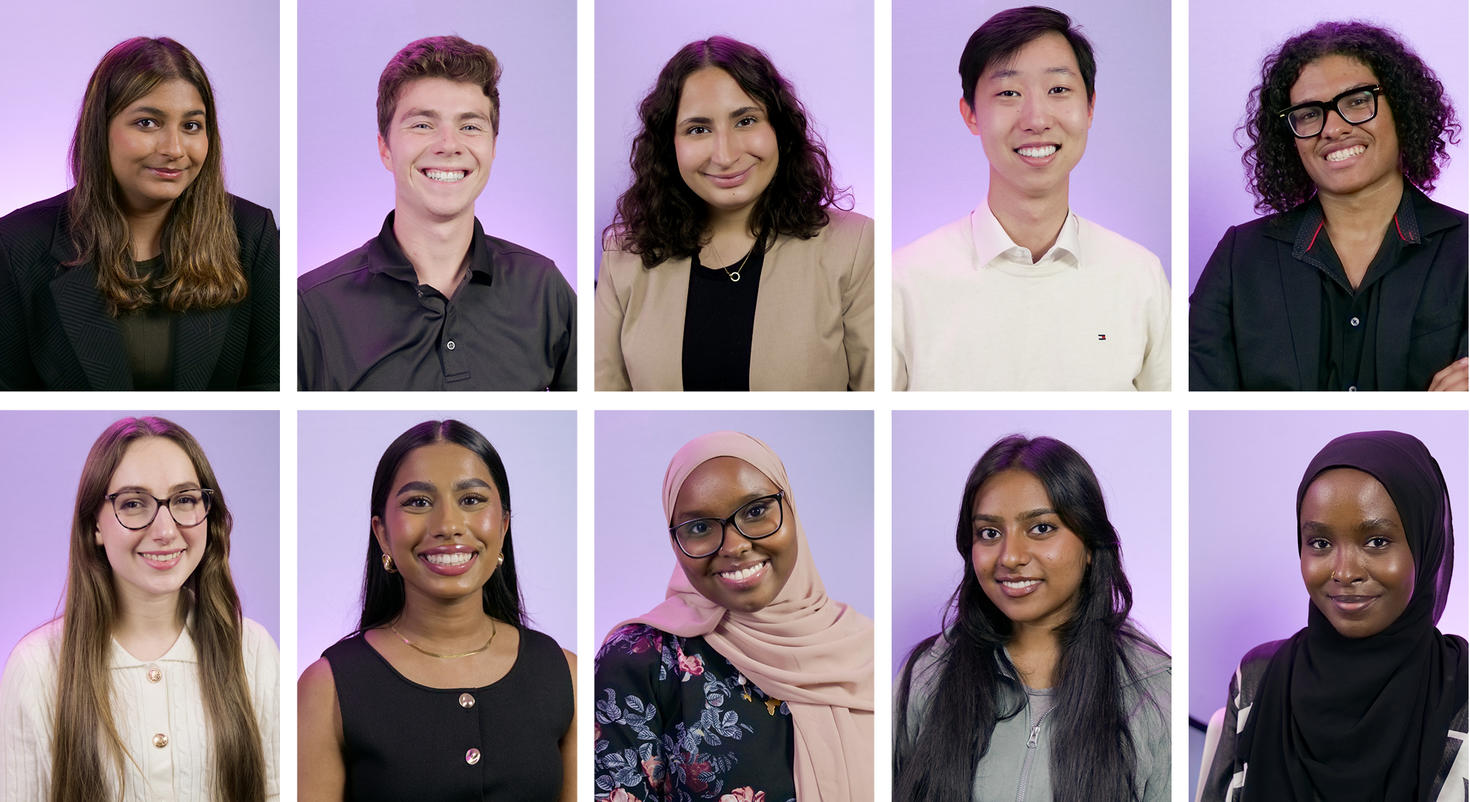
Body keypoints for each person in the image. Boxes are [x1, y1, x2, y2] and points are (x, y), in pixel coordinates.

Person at [892, 7, 1170, 392]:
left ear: (1089, 107)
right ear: (971, 114)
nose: (1036, 119)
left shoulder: (1139, 276)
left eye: (1058, 90)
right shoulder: (905, 281)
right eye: (1008, 93)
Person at [0, 417, 278, 800]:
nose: (165, 531)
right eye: (133, 503)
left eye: (184, 499)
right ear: (94, 525)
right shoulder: (36, 669)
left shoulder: (254, 651)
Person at [297, 420, 575, 801]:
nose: (448, 525)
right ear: (382, 533)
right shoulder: (326, 688)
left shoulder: (566, 675)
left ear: (504, 524)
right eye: (418, 502)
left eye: (472, 500)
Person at [594, 431, 874, 801]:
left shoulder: (862, 646)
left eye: (756, 511)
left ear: (790, 508)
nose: (735, 546)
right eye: (699, 527)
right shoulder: (642, 659)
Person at [1190, 22, 1468, 391]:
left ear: (1401, 107)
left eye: (1357, 101)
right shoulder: (1241, 257)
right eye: (1308, 113)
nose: (1332, 129)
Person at [894, 435, 1169, 800]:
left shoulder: (1155, 690)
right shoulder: (929, 674)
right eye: (989, 533)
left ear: (1090, 545)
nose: (1010, 556)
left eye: (1041, 528)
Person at [1199, 430, 1468, 800]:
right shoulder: (1259, 678)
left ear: (1426, 547)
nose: (1343, 572)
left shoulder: (1462, 697)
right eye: (1320, 543)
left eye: (1376, 541)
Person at [595, 37, 874, 391]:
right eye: (698, 129)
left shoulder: (854, 246)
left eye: (745, 121)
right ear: (670, 146)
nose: (725, 155)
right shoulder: (623, 253)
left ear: (779, 128)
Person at [298, 36, 576, 391]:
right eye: (423, 124)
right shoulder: (312, 307)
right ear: (385, 148)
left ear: (492, 148)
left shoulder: (542, 286)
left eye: (470, 126)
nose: (449, 145)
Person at [0, 38, 279, 391]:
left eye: (191, 126)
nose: (174, 149)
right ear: (101, 129)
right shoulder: (15, 246)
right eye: (147, 123)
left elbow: (269, 385)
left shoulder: (253, 236)